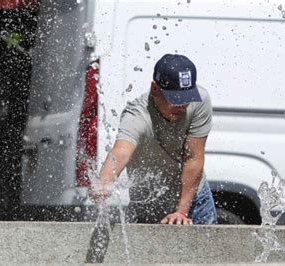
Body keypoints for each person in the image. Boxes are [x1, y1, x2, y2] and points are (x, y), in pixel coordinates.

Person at [91, 54, 217, 225]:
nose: (182, 106)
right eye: (175, 100)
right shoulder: (137, 116)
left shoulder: (200, 102)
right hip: (149, 203)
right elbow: (121, 152)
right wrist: (103, 183)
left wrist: (181, 212)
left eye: (186, 99)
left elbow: (194, 157)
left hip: (194, 200)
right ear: (155, 89)